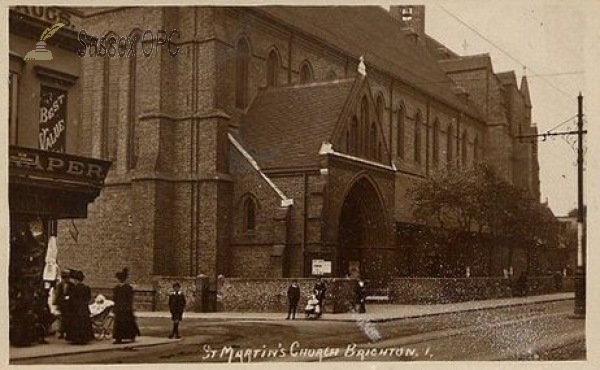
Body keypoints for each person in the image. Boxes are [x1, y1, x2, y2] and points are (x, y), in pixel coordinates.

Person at [112, 268, 141, 344]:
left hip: (125, 308)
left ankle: (128, 336)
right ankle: (119, 338)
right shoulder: (118, 288)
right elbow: (115, 298)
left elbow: (129, 298)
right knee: (121, 323)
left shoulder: (126, 288)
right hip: (121, 308)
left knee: (127, 323)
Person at [66, 270, 93, 344]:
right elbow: (88, 298)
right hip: (84, 308)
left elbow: (72, 299)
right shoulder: (86, 288)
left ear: (76, 280)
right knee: (84, 323)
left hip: (76, 309)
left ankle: (76, 339)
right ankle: (84, 339)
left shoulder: (74, 288)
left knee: (76, 323)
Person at [53, 269, 74, 339]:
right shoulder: (59, 285)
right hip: (62, 304)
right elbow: (57, 294)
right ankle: (61, 332)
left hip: (69, 305)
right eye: (65, 278)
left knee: (68, 319)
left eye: (67, 277)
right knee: (61, 319)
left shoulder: (71, 285)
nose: (66, 279)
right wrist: (56, 303)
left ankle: (67, 332)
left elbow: (72, 294)